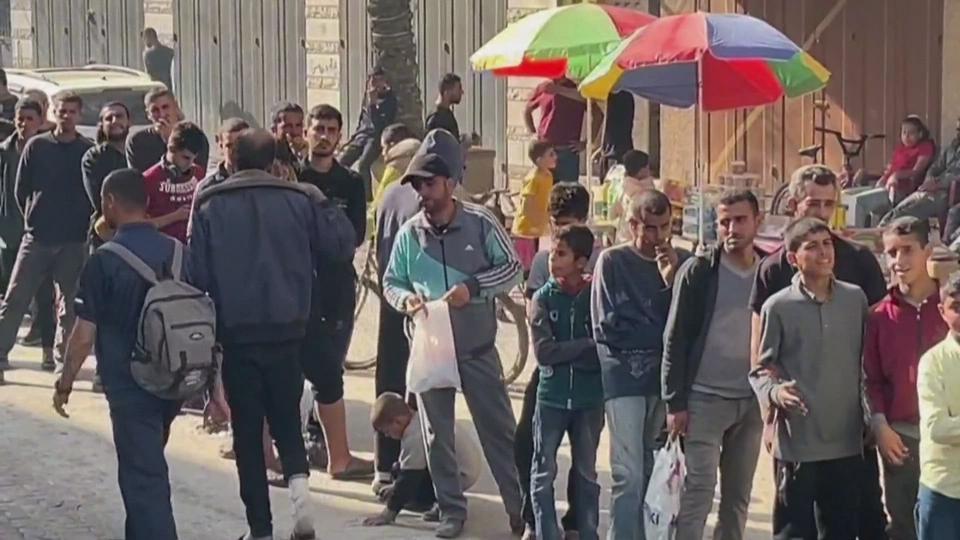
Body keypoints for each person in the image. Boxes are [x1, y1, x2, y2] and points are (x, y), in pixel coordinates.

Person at [189, 128, 355, 540]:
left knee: (248, 433)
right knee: (286, 421)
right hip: (290, 331)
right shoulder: (300, 199)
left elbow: (196, 275)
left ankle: (260, 529)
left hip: (238, 335)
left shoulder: (210, 203)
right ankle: (302, 508)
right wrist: (319, 199)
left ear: (233, 159)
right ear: (271, 160)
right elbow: (341, 246)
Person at [382, 128, 524, 538]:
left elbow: (512, 267)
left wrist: (473, 288)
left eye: (430, 183)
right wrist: (406, 300)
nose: (423, 192)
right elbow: (393, 281)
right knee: (435, 435)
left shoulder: (481, 223)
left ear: (450, 183)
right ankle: (451, 511)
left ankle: (520, 510)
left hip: (477, 350)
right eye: (417, 185)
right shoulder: (410, 233)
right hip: (430, 351)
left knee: (498, 432)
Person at [749, 164, 889, 540]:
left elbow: (875, 348)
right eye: (814, 203)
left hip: (847, 432)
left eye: (830, 205)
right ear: (795, 203)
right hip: (798, 434)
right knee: (795, 525)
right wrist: (769, 411)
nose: (822, 214)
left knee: (854, 519)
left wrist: (875, 416)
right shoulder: (773, 277)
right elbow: (761, 356)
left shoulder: (858, 273)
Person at [52, 168, 182, 539]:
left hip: (130, 386)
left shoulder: (103, 261)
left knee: (145, 480)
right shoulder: (179, 252)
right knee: (147, 467)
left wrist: (65, 383)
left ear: (109, 202)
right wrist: (214, 391)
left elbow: (83, 335)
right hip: (175, 381)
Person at [662, 189, 766, 540]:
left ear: (757, 221)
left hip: (750, 401)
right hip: (704, 400)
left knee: (738, 496)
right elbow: (675, 338)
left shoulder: (769, 272)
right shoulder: (699, 271)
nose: (732, 228)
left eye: (740, 220)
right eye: (724, 222)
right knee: (698, 492)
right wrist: (675, 402)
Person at [591, 189, 689, 540]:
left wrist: (671, 281)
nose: (658, 236)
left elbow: (685, 328)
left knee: (654, 470)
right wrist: (658, 334)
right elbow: (608, 327)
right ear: (632, 224)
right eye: (649, 228)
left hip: (665, 382)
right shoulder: (613, 262)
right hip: (623, 379)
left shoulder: (682, 263)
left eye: (664, 227)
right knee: (627, 473)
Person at [297, 104, 372, 479]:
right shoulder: (292, 176)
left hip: (337, 286)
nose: (324, 135)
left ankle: (322, 436)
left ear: (340, 135)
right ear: (307, 133)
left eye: (331, 129)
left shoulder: (351, 183)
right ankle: (300, 438)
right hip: (298, 286)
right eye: (318, 128)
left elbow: (355, 236)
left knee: (332, 365)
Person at [517, 183, 594, 539]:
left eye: (571, 223)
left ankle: (578, 525)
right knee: (532, 451)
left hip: (589, 387)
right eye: (557, 223)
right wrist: (584, 345)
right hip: (550, 381)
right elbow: (543, 339)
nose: (560, 234)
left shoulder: (598, 262)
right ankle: (535, 522)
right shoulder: (541, 263)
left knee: (585, 465)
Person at [863, 217, 946, 540]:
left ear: (928, 250)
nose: (899, 261)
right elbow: (871, 380)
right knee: (903, 525)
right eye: (891, 252)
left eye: (908, 250)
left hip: (950, 438)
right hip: (902, 438)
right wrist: (880, 426)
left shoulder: (950, 307)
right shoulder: (877, 316)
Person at [0, 93, 92, 371]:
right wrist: (33, 218)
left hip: (73, 240)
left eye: (71, 112)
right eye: (61, 111)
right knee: (15, 298)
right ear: (53, 113)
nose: (66, 116)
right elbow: (21, 190)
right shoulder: (37, 146)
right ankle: (1, 354)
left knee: (69, 305)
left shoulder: (86, 150)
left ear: (79, 115)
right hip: (37, 237)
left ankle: (66, 358)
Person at [529, 224, 603, 540]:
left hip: (589, 399)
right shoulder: (543, 299)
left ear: (581, 262)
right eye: (552, 252)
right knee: (543, 472)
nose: (552, 260)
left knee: (586, 472)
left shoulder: (596, 295)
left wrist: (579, 350)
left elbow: (605, 344)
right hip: (551, 397)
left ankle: (588, 532)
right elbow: (544, 352)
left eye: (561, 254)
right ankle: (547, 533)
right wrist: (585, 345)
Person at [371, 137, 422, 494]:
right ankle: (410, 471)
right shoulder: (422, 200)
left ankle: (382, 466)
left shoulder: (388, 195)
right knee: (416, 389)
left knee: (388, 380)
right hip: (416, 305)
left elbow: (376, 247)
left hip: (390, 299)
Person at [363, 392, 483, 528]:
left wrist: (388, 513)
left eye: (387, 431)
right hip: (463, 468)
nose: (388, 436)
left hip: (459, 475)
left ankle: (444, 502)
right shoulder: (420, 416)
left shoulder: (415, 434)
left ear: (398, 421)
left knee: (411, 489)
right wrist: (395, 487)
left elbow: (409, 478)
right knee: (399, 469)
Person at [0, 98, 55, 370]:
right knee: (11, 297)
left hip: (41, 234)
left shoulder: (48, 149)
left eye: (29, 119)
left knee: (44, 295)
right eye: (20, 119)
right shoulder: (5, 150)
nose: (23, 124)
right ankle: (2, 354)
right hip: (9, 233)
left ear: (41, 120)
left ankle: (48, 351)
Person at [915, 274, 960, 539]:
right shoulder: (933, 362)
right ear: (942, 311)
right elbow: (938, 429)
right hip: (944, 490)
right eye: (957, 307)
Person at [525, 77, 603, 184]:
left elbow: (598, 115)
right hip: (544, 150)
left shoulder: (577, 89)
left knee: (568, 193)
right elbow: (527, 110)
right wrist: (532, 133)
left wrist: (586, 142)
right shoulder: (544, 87)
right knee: (542, 190)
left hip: (568, 151)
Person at [142, 121, 206, 243]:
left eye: (194, 159)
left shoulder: (198, 173)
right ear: (171, 148)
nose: (190, 164)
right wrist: (175, 217)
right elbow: (137, 225)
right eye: (185, 157)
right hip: (161, 248)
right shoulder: (149, 179)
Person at [83, 102, 132, 246]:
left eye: (119, 116)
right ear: (101, 125)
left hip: (142, 230)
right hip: (106, 234)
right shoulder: (94, 157)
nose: (114, 121)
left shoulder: (139, 152)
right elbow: (100, 200)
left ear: (129, 121)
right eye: (109, 118)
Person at [126, 88, 209, 173]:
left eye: (165, 107)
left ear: (175, 106)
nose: (162, 114)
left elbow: (197, 174)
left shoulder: (195, 137)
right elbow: (137, 179)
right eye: (155, 110)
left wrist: (172, 138)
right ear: (148, 114)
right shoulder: (136, 141)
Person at [340, 68, 397, 190]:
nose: (373, 83)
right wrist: (352, 138)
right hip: (362, 135)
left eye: (376, 80)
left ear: (383, 81)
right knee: (342, 161)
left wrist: (373, 104)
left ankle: (366, 197)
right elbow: (362, 119)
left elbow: (381, 124)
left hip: (375, 137)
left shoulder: (390, 99)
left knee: (363, 165)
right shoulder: (367, 95)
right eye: (370, 79)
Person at [511, 140, 556, 274]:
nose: (555, 157)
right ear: (539, 160)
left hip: (538, 229)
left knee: (537, 261)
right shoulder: (533, 178)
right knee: (526, 267)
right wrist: (538, 218)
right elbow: (527, 205)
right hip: (526, 230)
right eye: (551, 155)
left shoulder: (548, 176)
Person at [877, 115, 936, 206]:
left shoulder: (925, 147)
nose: (906, 136)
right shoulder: (900, 149)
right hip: (887, 187)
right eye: (904, 133)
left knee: (861, 203)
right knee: (853, 198)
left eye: (911, 133)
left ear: (920, 134)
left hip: (904, 190)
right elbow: (890, 169)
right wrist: (882, 178)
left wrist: (896, 175)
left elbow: (917, 172)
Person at [193, 117, 250, 199]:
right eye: (229, 145)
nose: (235, 151)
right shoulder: (208, 185)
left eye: (241, 145)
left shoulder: (259, 181)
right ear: (221, 146)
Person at [610, 150, 656, 243]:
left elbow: (613, 213)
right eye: (647, 167)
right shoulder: (645, 192)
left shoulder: (623, 187)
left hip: (622, 237)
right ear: (641, 170)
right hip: (637, 240)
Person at [371, 123, 419, 209]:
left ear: (392, 145)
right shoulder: (422, 160)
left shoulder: (394, 167)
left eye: (383, 147)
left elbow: (379, 205)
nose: (382, 153)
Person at [424, 73, 463, 141]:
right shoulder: (436, 118)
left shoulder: (447, 113)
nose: (462, 92)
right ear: (447, 92)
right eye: (458, 89)